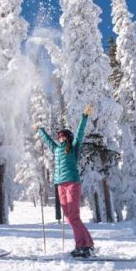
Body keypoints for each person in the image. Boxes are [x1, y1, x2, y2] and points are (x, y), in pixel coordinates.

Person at [35, 104, 95, 258]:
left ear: (68, 137)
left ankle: (82, 246)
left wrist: (84, 116)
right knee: (69, 217)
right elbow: (47, 140)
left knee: (74, 216)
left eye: (63, 136)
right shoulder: (56, 149)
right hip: (60, 185)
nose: (60, 138)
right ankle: (87, 243)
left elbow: (80, 132)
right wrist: (39, 129)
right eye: (59, 136)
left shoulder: (74, 147)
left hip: (72, 183)